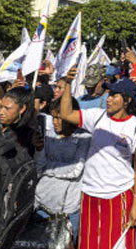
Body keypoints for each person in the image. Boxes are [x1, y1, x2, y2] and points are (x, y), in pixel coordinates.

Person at [58, 76, 136, 249]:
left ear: (127, 100)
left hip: (118, 195)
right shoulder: (97, 116)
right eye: (109, 94)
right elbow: (66, 114)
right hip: (90, 194)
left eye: (114, 95)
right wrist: (68, 84)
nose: (109, 99)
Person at [36, 98, 91, 243]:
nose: (55, 122)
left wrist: (48, 170)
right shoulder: (48, 135)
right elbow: (39, 166)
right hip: (42, 202)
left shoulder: (84, 137)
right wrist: (40, 150)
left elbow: (75, 170)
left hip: (68, 209)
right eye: (53, 117)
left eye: (59, 118)